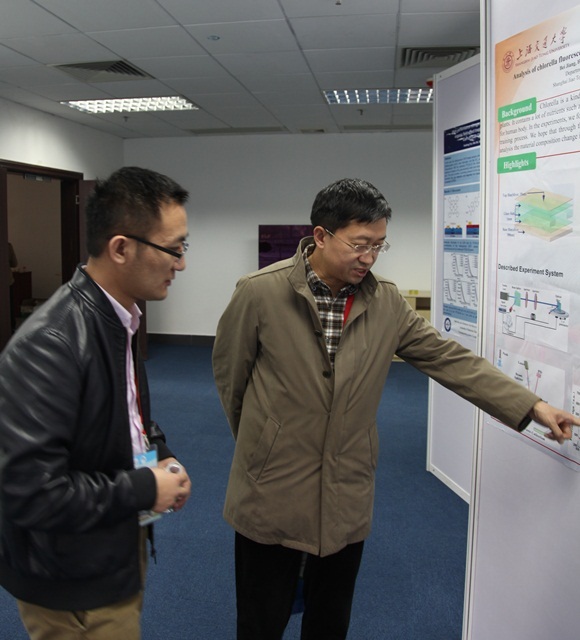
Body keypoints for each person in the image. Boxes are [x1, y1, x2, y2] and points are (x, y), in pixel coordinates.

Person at [212, 177, 580, 640]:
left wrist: (531, 404)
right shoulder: (260, 292)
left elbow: (449, 359)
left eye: (379, 245)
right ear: (321, 236)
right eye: (359, 244)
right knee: (261, 620)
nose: (369, 257)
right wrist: (262, 443)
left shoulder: (385, 300)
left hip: (346, 486)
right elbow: (231, 378)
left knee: (330, 621)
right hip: (272, 487)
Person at [0, 166, 192, 640]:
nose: (181, 264)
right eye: (173, 249)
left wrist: (159, 453)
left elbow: (122, 415)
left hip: (111, 546)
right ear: (121, 248)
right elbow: (32, 492)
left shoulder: (117, 318)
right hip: (72, 582)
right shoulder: (52, 343)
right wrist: (144, 489)